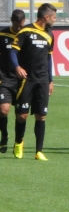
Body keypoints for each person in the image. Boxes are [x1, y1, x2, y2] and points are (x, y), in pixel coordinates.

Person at [10, 3, 57, 161]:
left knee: (41, 116)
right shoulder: (26, 31)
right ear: (47, 17)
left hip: (42, 80)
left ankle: (38, 151)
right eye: (54, 17)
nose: (55, 21)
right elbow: (13, 50)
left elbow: (49, 58)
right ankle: (18, 143)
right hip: (27, 80)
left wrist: (50, 80)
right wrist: (17, 67)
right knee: (22, 115)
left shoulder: (50, 34)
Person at [0, 10, 26, 153]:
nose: (18, 28)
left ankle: (19, 140)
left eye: (21, 25)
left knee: (21, 114)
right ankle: (4, 135)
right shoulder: (2, 35)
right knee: (3, 110)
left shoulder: (26, 35)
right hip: (4, 79)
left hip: (22, 81)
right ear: (11, 21)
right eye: (16, 25)